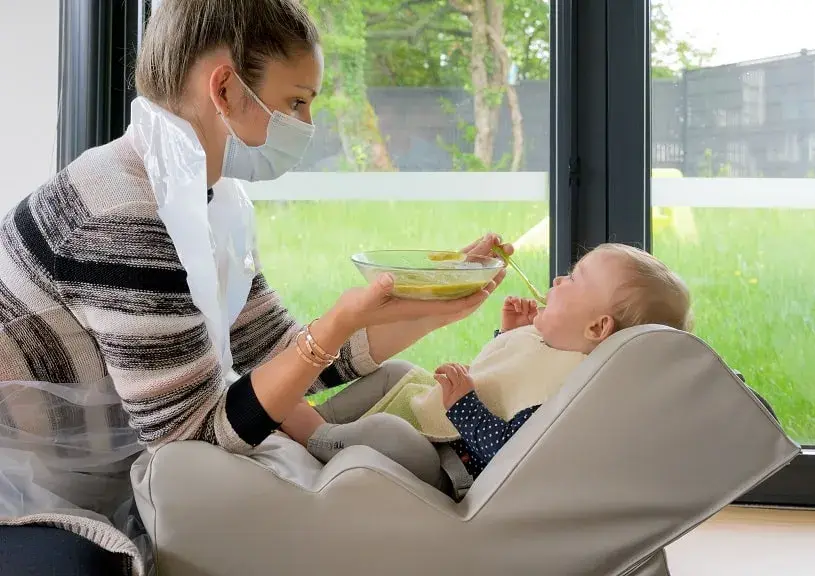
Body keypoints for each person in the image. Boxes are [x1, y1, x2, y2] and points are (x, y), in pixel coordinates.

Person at [0, 1, 511, 573]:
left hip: (80, 468)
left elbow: (275, 353)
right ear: (224, 88)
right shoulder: (125, 215)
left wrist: (433, 297)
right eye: (296, 102)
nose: (308, 126)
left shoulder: (206, 200)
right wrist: (335, 324)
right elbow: (192, 438)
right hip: (18, 492)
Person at [314, 243, 693, 494]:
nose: (558, 280)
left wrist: (463, 403)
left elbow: (511, 450)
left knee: (391, 433)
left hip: (450, 469)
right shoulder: (557, 351)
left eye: (574, 279)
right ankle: (314, 415)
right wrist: (510, 336)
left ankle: (314, 433)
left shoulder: (571, 391)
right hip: (447, 441)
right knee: (398, 372)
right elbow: (507, 380)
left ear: (597, 328)